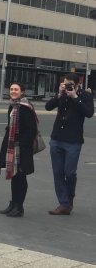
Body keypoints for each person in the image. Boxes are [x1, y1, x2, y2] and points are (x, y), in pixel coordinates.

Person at [45, 72, 94, 215]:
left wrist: (75, 97)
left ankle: (69, 198)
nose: (66, 87)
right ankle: (64, 203)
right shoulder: (62, 95)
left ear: (77, 84)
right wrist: (59, 94)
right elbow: (48, 107)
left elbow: (89, 113)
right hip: (57, 138)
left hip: (73, 141)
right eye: (64, 84)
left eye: (69, 84)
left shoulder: (85, 96)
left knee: (70, 173)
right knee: (57, 172)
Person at [0, 82, 37, 217]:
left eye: (16, 89)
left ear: (22, 92)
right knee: (14, 176)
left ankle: (19, 207)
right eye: (12, 89)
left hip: (22, 149)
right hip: (13, 146)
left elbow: (31, 130)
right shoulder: (13, 106)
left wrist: (21, 147)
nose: (13, 91)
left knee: (20, 177)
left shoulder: (25, 107)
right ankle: (13, 203)